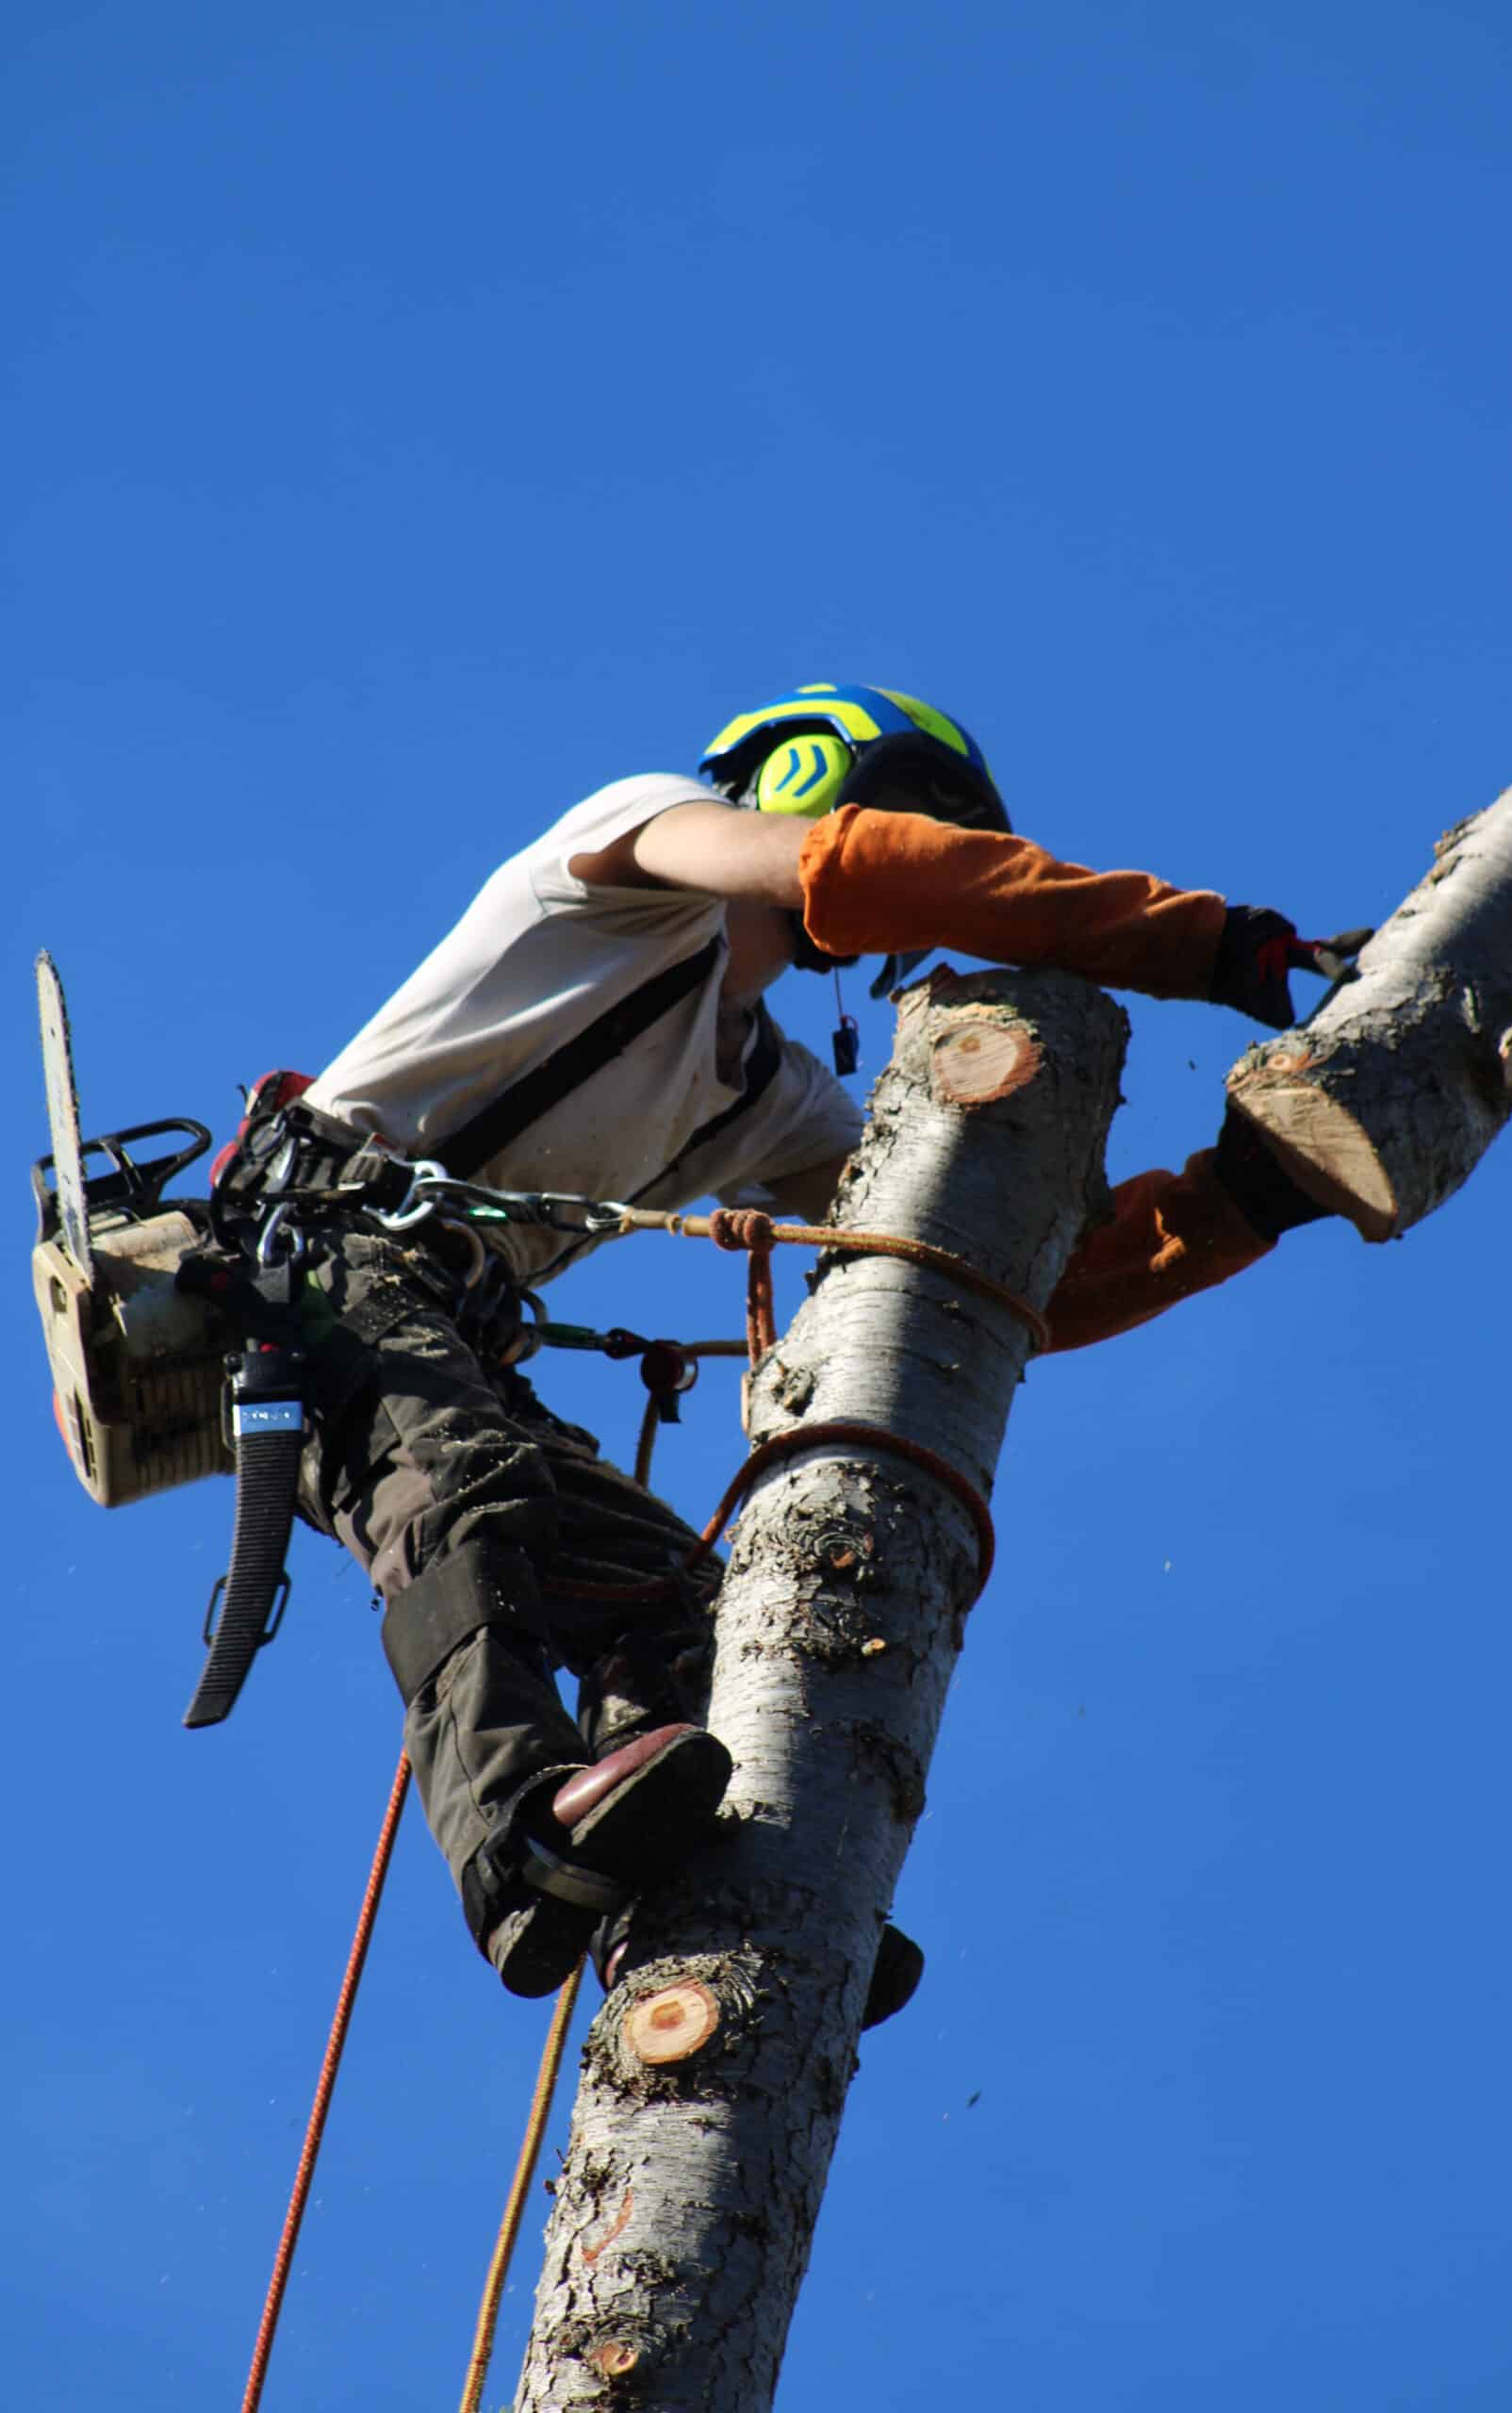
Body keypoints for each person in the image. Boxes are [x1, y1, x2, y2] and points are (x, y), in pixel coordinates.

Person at [210, 681, 1347, 2012]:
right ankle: (518, 1836)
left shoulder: (770, 1092)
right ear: (806, 773)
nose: (927, 880)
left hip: (443, 1314)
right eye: (917, 820)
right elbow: (852, 865)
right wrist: (1217, 949)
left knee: (682, 1605)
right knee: (466, 1495)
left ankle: (706, 1877)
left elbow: (979, 1276)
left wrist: (1242, 1197)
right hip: (318, 1256)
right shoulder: (641, 839)